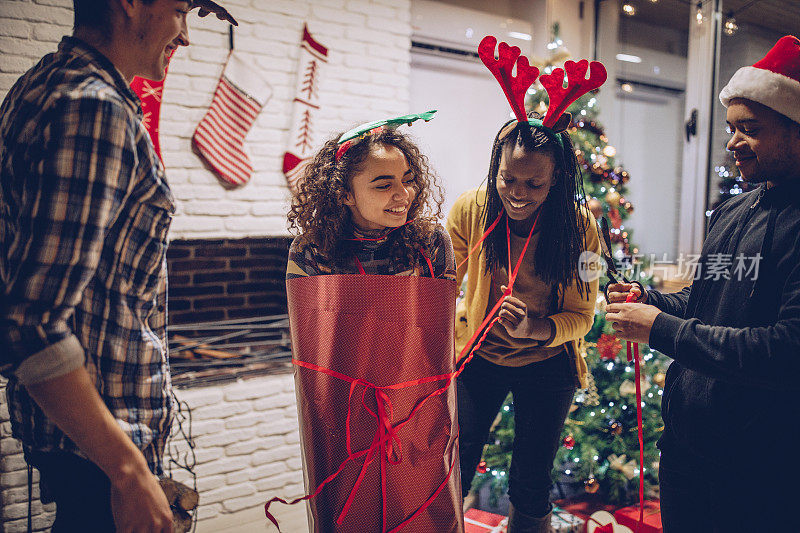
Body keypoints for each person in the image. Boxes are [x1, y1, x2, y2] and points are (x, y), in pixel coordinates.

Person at [0, 1, 234, 531]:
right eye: (178, 11)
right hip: (100, 454)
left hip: (80, 447)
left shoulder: (40, 84)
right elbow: (29, 322)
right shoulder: (94, 107)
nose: (186, 35)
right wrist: (128, 472)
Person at [605, 35, 800, 532]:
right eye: (732, 128)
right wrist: (651, 303)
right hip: (689, 446)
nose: (732, 142)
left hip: (761, 467)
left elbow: (784, 349)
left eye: (750, 129)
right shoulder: (737, 207)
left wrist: (661, 330)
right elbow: (706, 300)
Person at [448, 113, 601, 532]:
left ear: (556, 179)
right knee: (451, 470)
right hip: (477, 356)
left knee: (530, 484)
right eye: (507, 179)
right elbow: (443, 287)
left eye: (534, 184)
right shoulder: (471, 210)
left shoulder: (581, 228)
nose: (517, 194)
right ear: (495, 166)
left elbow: (583, 317)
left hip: (548, 364)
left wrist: (535, 328)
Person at [287, 124, 454, 280]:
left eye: (408, 180)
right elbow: (306, 312)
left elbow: (442, 309)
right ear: (345, 194)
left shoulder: (431, 241)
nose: (403, 194)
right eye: (384, 186)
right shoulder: (310, 251)